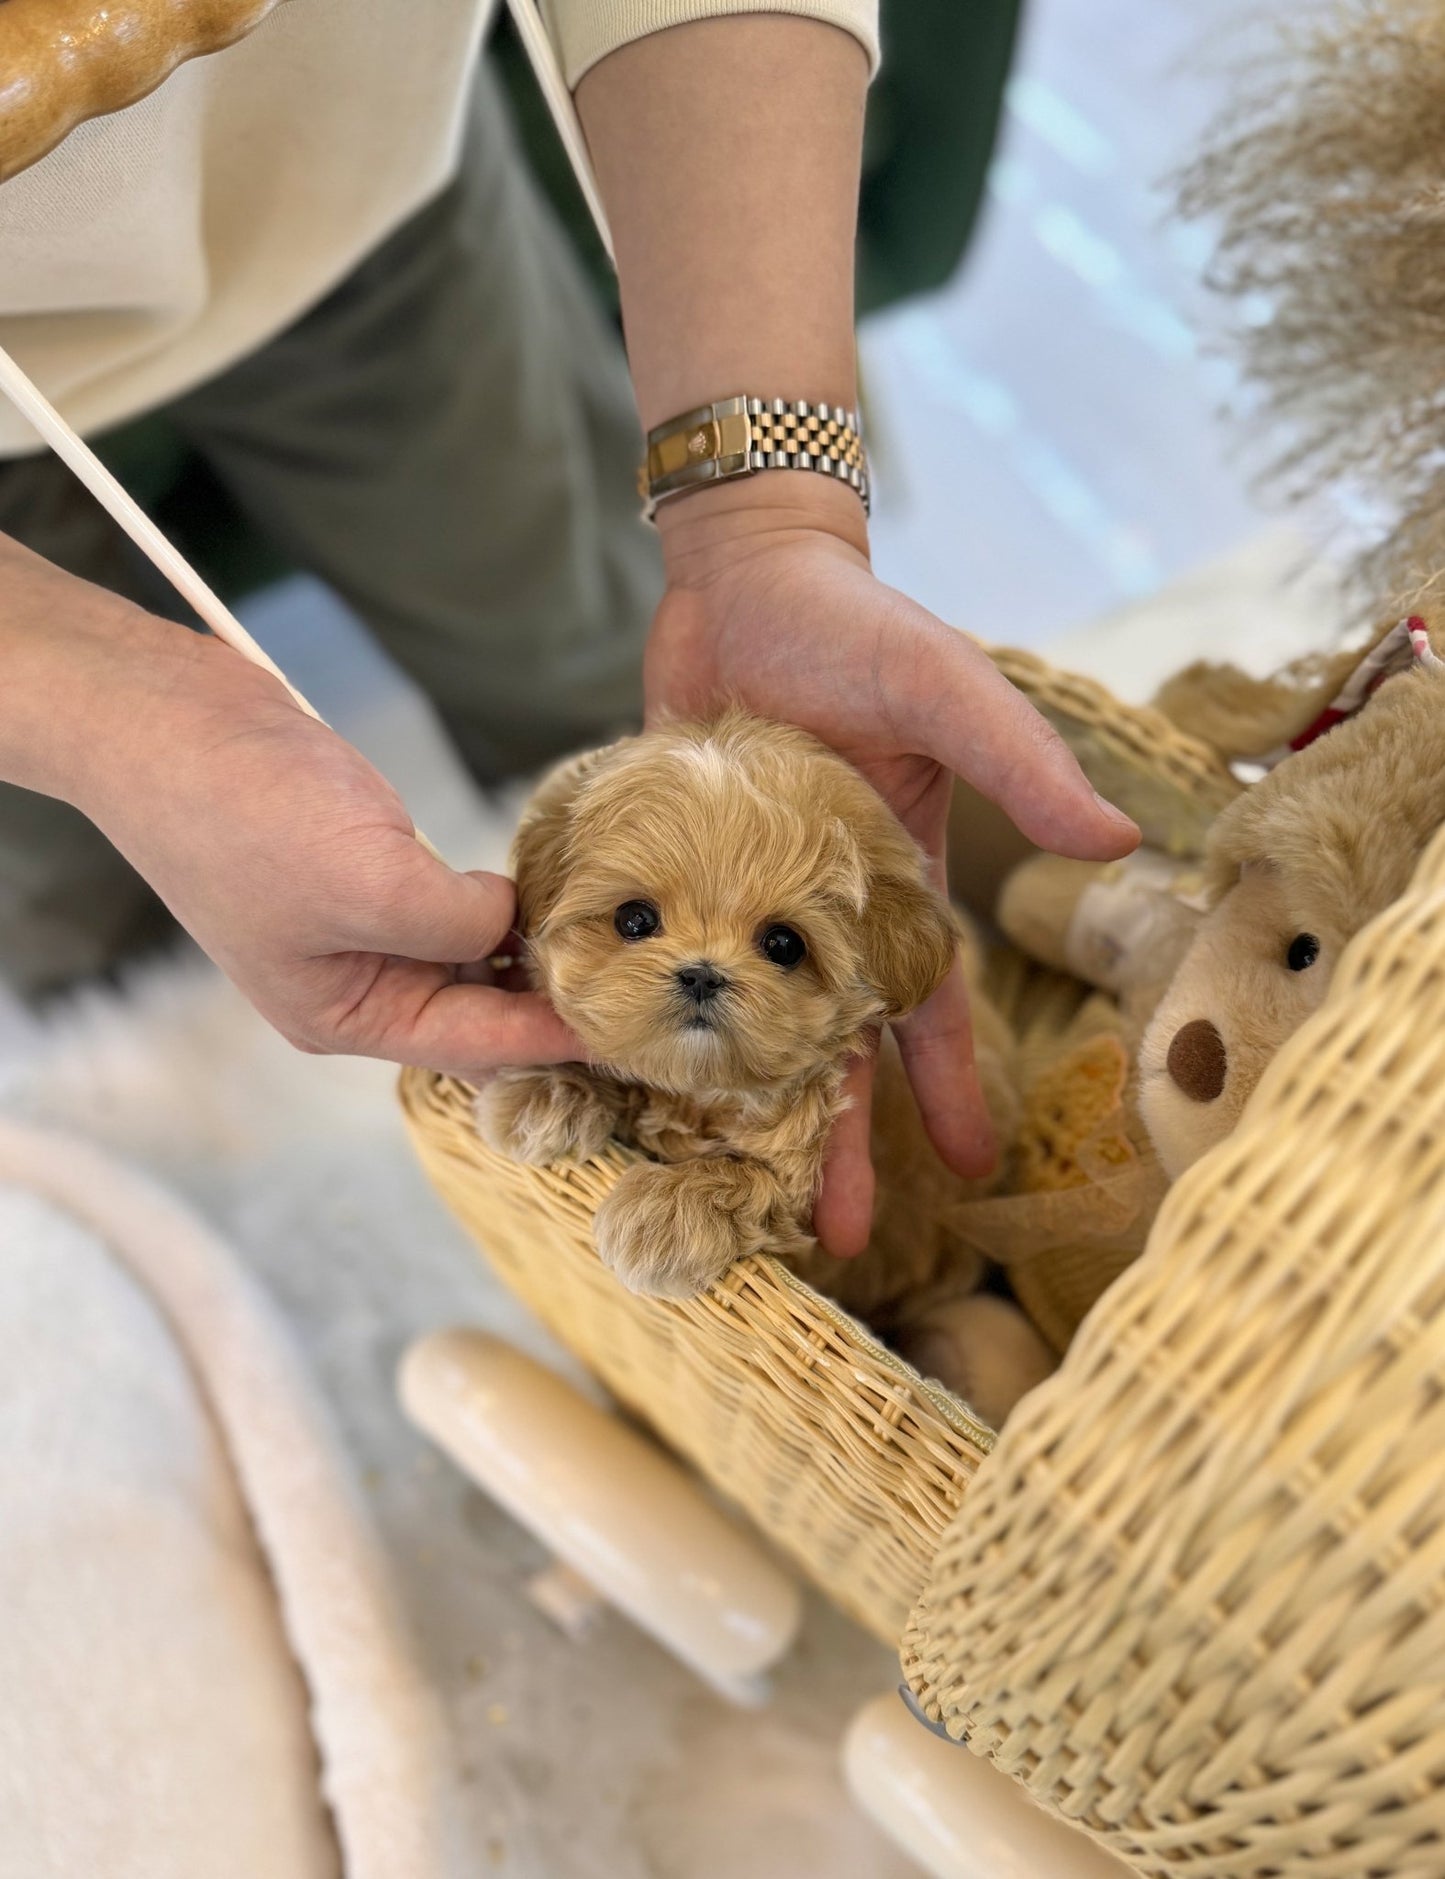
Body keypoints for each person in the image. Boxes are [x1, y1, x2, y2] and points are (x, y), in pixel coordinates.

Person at [0, 1, 1138, 1256]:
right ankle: (135, 1169)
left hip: (364, 180)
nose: (701, 969)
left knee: (577, 652)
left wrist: (763, 526)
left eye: (772, 941)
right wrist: (97, 714)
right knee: (59, 907)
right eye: (641, 924)